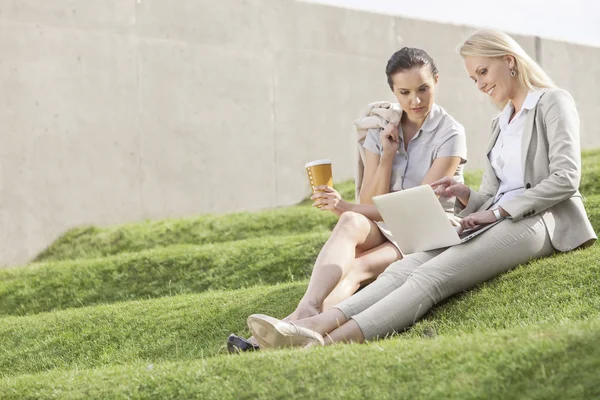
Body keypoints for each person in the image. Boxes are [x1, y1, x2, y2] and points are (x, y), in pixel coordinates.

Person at [245, 29, 597, 349]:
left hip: (541, 220)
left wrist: (498, 211)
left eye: (483, 73)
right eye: (474, 78)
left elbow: (565, 178)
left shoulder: (552, 101)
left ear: (509, 61)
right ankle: (313, 324)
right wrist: (464, 196)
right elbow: (490, 195)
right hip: (494, 219)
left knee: (430, 276)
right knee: (405, 267)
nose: (480, 85)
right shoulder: (500, 122)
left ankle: (320, 345)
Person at [227, 47, 468, 353]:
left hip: (426, 231)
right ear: (393, 91)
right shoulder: (380, 128)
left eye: (423, 89)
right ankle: (306, 313)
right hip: (387, 224)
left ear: (436, 80)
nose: (415, 101)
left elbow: (416, 210)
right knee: (351, 221)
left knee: (356, 265)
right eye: (404, 92)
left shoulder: (451, 133)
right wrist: (387, 157)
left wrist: (344, 205)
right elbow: (369, 200)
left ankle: (281, 331)